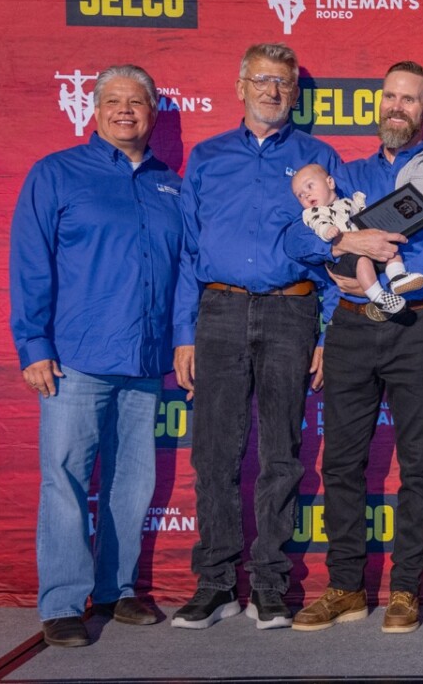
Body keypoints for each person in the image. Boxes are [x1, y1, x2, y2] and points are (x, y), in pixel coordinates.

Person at [285, 60, 423, 634]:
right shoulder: (346, 170)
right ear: (378, 103)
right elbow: (298, 234)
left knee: (418, 465)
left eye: (410, 100)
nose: (397, 107)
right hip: (350, 327)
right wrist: (345, 240)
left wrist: (379, 270)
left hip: (419, 327)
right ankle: (344, 586)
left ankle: (406, 590)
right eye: (390, 97)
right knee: (341, 460)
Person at [171, 43, 340, 631]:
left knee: (280, 455)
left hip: (293, 313)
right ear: (241, 85)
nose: (272, 92)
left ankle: (269, 584)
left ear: (295, 94)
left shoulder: (318, 156)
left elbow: (335, 249)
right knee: (214, 453)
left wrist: (328, 329)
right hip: (216, 313)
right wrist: (182, 332)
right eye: (262, 81)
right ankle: (215, 583)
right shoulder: (208, 156)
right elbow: (187, 250)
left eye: (283, 84)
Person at [10, 64, 181, 647]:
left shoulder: (171, 185)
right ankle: (62, 601)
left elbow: (182, 272)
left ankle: (116, 590)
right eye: (113, 100)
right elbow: (31, 262)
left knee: (132, 480)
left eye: (137, 101)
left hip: (144, 360)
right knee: (64, 479)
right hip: (75, 360)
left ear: (153, 112)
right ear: (95, 108)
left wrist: (179, 341)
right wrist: (34, 344)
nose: (125, 110)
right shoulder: (56, 174)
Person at [293, 163, 423, 314]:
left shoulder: (346, 202)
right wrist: (327, 230)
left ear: (330, 183)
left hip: (367, 249)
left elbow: (362, 217)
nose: (306, 195)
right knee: (362, 261)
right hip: (343, 260)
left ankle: (398, 277)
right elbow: (317, 223)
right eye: (300, 195)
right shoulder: (313, 212)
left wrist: (360, 203)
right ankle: (379, 297)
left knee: (390, 249)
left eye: (310, 186)